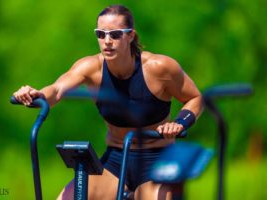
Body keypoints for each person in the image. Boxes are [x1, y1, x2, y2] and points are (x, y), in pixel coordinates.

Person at [13, 5, 203, 200]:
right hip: (115, 159)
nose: (107, 41)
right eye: (101, 34)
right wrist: (36, 94)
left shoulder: (159, 68)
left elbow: (196, 98)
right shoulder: (91, 67)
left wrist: (180, 123)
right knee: (68, 197)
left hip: (156, 159)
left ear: (130, 35)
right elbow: (57, 89)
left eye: (115, 34)